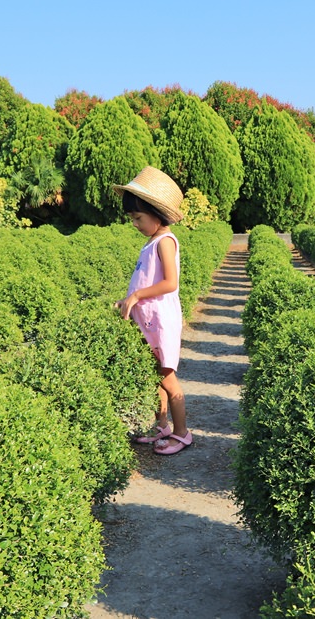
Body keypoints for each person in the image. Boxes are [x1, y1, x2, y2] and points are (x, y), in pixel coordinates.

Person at [113, 166, 192, 455]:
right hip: (149, 321)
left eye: (138, 218)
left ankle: (182, 433)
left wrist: (137, 295)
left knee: (169, 380)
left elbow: (170, 283)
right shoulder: (151, 242)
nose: (134, 223)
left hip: (161, 322)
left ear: (157, 214)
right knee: (156, 375)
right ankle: (162, 425)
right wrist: (126, 302)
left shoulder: (165, 242)